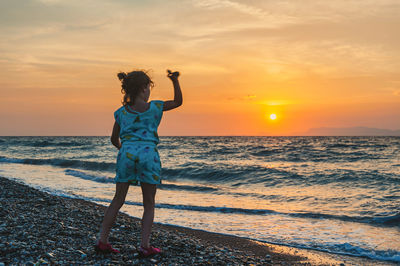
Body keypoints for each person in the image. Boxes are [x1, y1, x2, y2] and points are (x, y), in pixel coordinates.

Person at [95, 69, 183, 257]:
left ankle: (102, 240)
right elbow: (177, 102)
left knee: (118, 200)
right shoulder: (155, 107)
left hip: (127, 153)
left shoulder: (120, 113)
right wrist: (175, 81)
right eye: (148, 88)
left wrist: (125, 150)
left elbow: (113, 139)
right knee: (149, 203)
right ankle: (144, 245)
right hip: (148, 155)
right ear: (144, 88)